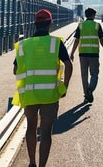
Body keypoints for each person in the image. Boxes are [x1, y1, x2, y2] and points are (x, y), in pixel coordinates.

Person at [12, 9, 72, 167]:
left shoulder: (24, 45)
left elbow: (15, 70)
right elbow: (69, 64)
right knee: (45, 133)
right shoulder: (55, 43)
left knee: (30, 127)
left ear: (35, 24)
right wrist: (64, 86)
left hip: (30, 95)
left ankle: (31, 162)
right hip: (50, 95)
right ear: (50, 24)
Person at [70, 7, 103, 103]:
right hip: (94, 54)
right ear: (92, 15)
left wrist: (72, 53)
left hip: (82, 54)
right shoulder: (97, 25)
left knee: (84, 75)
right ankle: (90, 89)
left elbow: (76, 40)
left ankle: (86, 95)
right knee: (94, 74)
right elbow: (101, 40)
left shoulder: (81, 25)